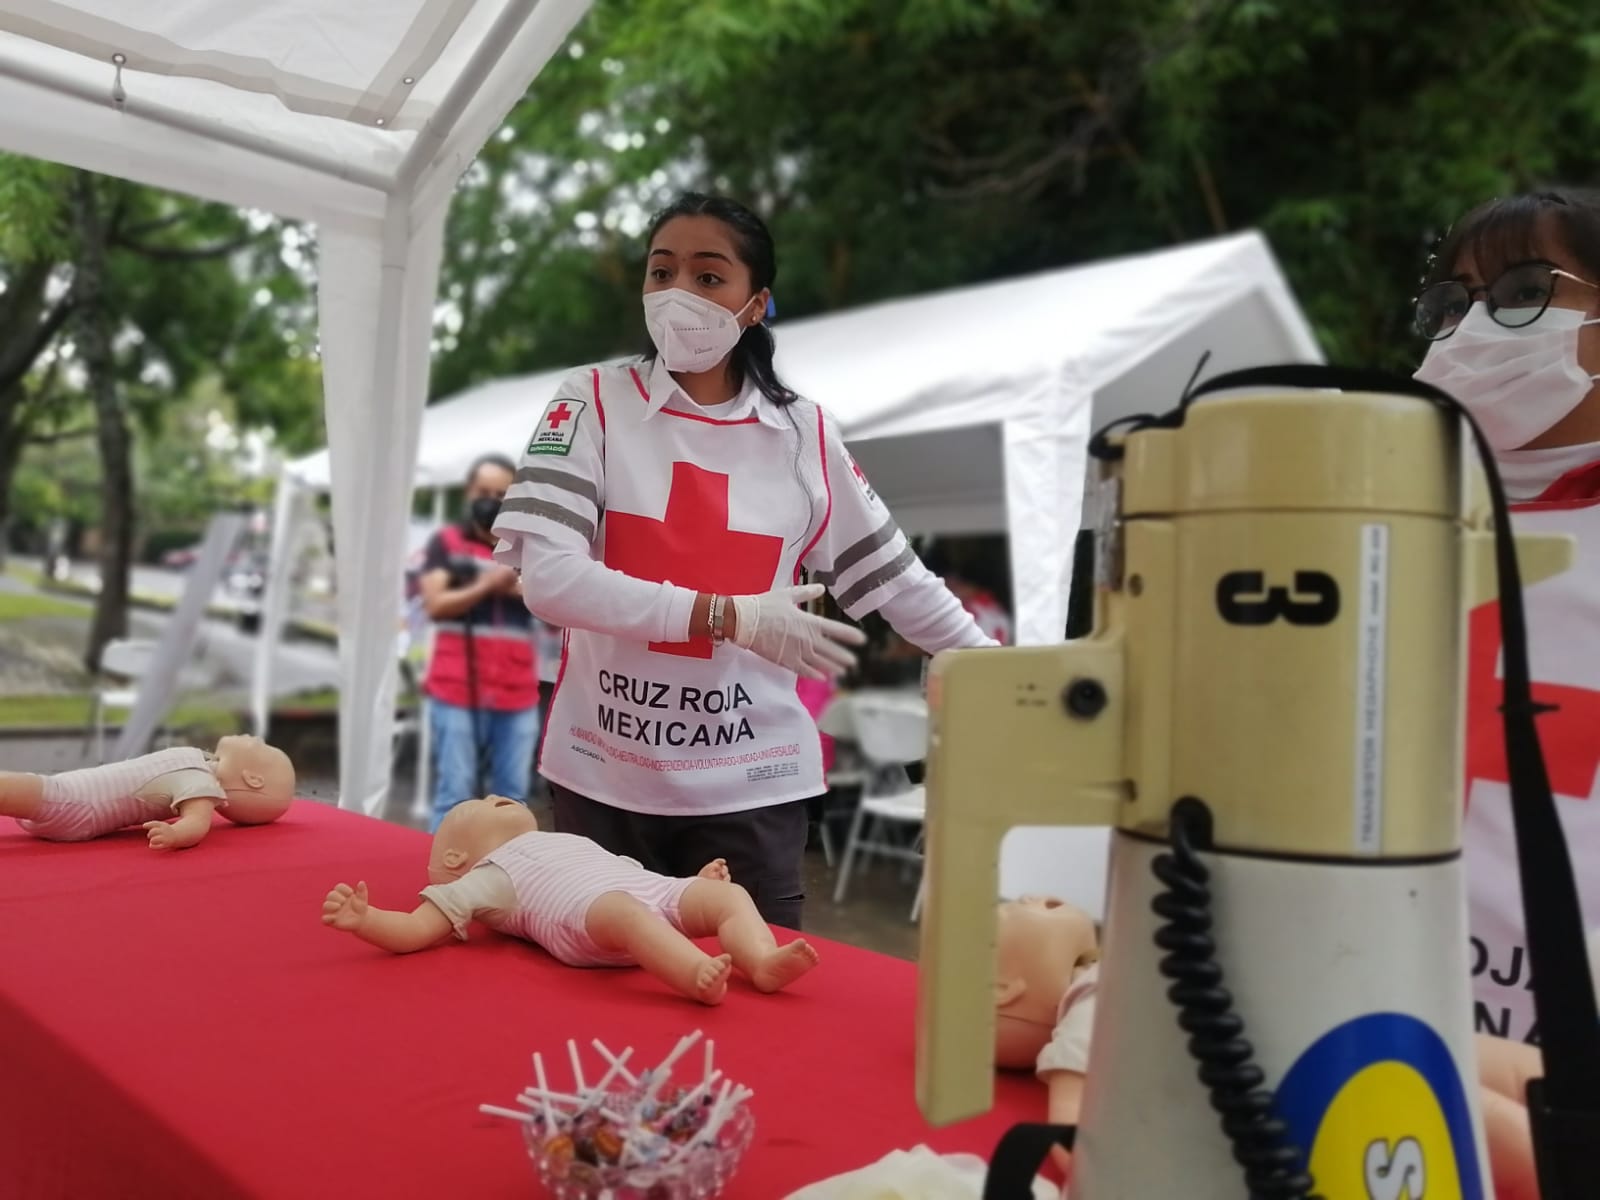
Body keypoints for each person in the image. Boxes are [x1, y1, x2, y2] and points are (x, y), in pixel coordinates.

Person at [492, 192, 996, 929]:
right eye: (660, 272)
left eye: (707, 276)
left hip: (751, 788)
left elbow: (896, 580)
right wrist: (724, 615)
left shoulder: (803, 435)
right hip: (603, 777)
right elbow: (551, 580)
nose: (676, 296)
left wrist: (995, 669)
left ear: (755, 304)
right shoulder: (593, 400)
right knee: (600, 1001)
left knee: (752, 1005)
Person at [1412, 188, 1600, 1043]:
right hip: (1384, 1016)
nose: (1474, 328)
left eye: (1525, 292)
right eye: (1454, 305)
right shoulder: (1375, 537)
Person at [418, 454, 541, 831]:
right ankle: (438, 877)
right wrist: (488, 585)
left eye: (500, 493)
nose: (490, 499)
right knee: (454, 796)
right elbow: (436, 605)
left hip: (516, 693)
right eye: (483, 491)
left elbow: (554, 605)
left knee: (513, 801)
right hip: (457, 690)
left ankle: (507, 881)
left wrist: (519, 589)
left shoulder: (528, 548)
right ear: (470, 493)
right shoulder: (446, 542)